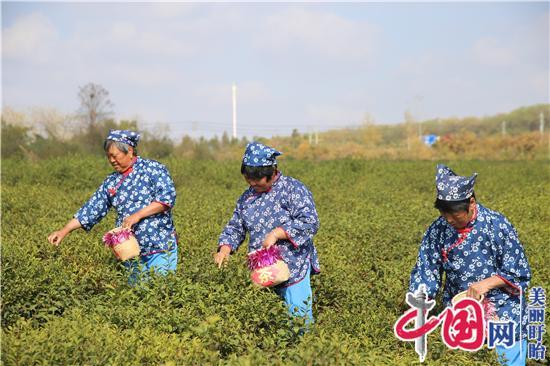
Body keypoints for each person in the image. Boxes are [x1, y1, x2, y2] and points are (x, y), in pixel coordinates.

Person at [409, 164, 531, 366]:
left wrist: (487, 284)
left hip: (503, 310)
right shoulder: (438, 230)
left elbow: (519, 272)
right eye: (443, 213)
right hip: (461, 314)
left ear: (471, 203)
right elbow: (426, 269)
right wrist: (420, 303)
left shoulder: (496, 224)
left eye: (454, 214)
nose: (448, 219)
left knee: (507, 361)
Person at [47, 129, 178, 284]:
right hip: (129, 251)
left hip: (160, 247)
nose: (111, 160)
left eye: (114, 156)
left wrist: (137, 215)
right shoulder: (112, 181)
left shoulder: (153, 169)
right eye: (108, 156)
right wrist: (64, 231)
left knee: (160, 293)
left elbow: (166, 199)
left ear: (129, 151)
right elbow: (91, 209)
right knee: (136, 298)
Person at [214, 142, 320, 326]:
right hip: (262, 269)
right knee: (266, 321)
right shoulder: (246, 198)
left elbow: (310, 221)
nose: (253, 185)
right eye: (249, 181)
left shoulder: (292, 189)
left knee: (298, 319)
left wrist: (277, 233)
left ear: (272, 173)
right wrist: (224, 249)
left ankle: (303, 351)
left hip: (294, 265)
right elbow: (235, 227)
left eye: (258, 181)